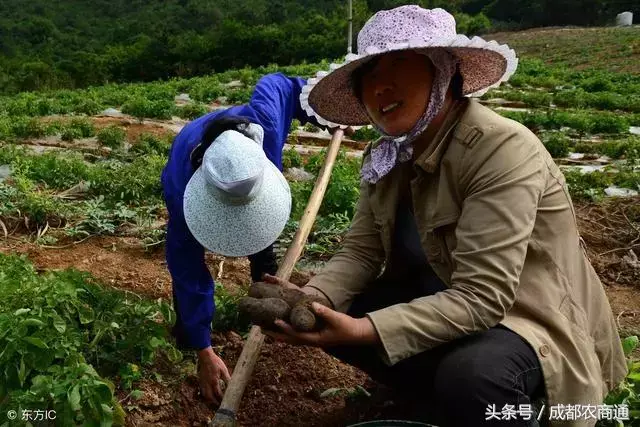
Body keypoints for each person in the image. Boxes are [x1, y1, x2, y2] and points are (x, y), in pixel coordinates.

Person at [259, 6, 628, 427]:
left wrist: (365, 331)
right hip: (451, 305)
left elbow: (484, 296)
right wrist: (315, 299)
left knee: (473, 379)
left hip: (529, 321)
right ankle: (437, 404)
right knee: (343, 310)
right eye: (368, 74)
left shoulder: (499, 149)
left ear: (442, 72)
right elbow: (360, 251)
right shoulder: (388, 157)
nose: (380, 85)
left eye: (398, 62)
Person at [160, 73, 339, 406]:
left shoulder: (264, 127)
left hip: (239, 152)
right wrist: (204, 350)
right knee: (187, 279)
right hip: (189, 151)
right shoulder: (182, 194)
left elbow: (282, 85)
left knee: (262, 249)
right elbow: (187, 273)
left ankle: (265, 295)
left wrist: (323, 111)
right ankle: (189, 332)